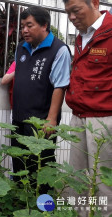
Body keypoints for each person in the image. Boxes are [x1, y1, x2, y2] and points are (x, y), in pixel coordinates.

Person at [11, 6, 71, 193]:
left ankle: (43, 206)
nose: (24, 30)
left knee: (40, 166)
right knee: (19, 163)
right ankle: (22, 204)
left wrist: (51, 119)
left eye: (29, 25)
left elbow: (60, 86)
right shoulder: (21, 47)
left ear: (45, 25)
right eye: (22, 26)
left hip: (41, 121)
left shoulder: (59, 50)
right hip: (19, 117)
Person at [63, 0, 112, 216]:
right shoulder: (82, 36)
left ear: (93, 3)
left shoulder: (109, 31)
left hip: (103, 119)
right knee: (77, 177)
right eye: (68, 13)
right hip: (79, 116)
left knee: (103, 181)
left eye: (76, 11)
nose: (72, 17)